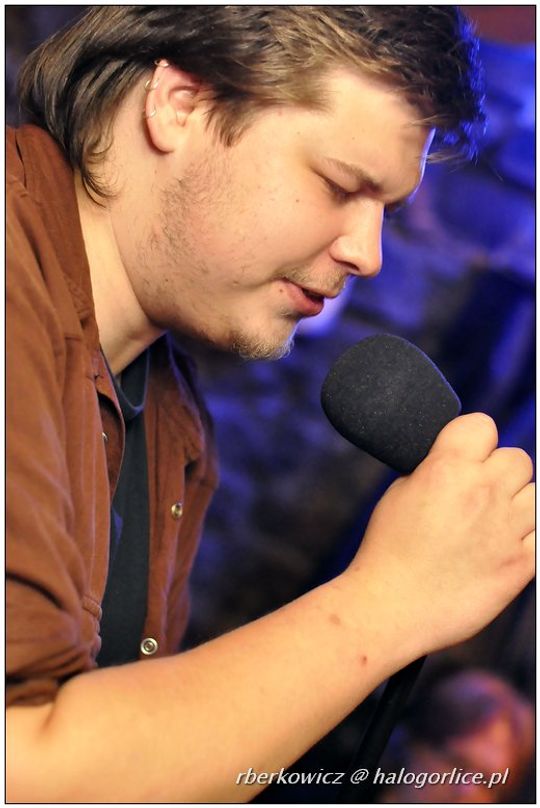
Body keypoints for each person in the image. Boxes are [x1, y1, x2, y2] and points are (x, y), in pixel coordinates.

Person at [6, 7, 535, 802]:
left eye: (385, 212)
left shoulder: (173, 417)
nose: (367, 253)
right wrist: (390, 602)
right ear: (179, 105)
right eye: (340, 185)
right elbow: (24, 769)